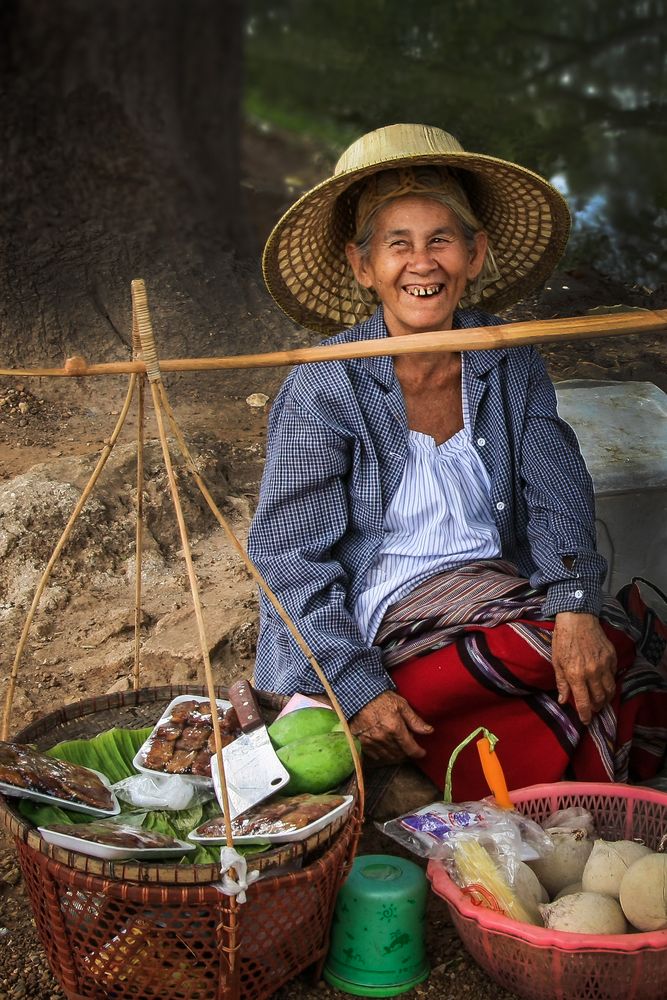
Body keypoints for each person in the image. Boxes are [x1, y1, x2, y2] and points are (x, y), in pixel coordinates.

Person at [248, 123, 667, 799]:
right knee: (555, 658)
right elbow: (287, 563)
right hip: (383, 624)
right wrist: (358, 690)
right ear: (363, 266)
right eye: (398, 244)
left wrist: (573, 610)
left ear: (474, 255)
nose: (423, 263)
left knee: (591, 655)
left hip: (495, 596)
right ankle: (458, 736)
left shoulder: (508, 357)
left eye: (441, 239)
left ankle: (528, 774)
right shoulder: (325, 385)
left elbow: (557, 492)